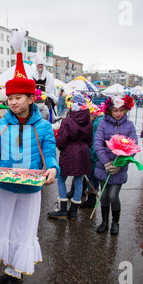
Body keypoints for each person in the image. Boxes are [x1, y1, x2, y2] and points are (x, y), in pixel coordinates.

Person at [0, 34, 59, 284]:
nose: (14, 101)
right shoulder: (3, 124)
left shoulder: (43, 126)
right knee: (6, 225)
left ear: (31, 99)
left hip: (30, 190)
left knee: (24, 228)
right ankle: (10, 268)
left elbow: (50, 153)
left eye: (19, 97)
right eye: (10, 98)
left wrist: (53, 168)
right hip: (6, 187)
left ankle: (16, 274)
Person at [93, 95, 137, 235]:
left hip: (120, 168)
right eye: (115, 110)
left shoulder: (129, 125)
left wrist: (120, 165)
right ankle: (104, 221)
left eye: (121, 110)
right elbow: (98, 144)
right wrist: (106, 162)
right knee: (104, 195)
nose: (119, 113)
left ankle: (115, 222)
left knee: (113, 196)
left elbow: (133, 146)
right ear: (110, 111)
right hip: (103, 167)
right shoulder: (102, 124)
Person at [48, 92, 92, 220]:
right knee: (78, 180)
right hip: (83, 152)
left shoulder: (67, 121)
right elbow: (90, 140)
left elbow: (61, 140)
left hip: (69, 152)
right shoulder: (88, 121)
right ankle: (73, 211)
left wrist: (61, 147)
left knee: (61, 178)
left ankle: (62, 209)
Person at [80, 102, 104, 209]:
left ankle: (91, 199)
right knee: (94, 177)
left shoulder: (95, 126)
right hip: (96, 156)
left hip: (93, 156)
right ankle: (92, 197)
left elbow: (94, 142)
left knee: (91, 176)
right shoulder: (99, 122)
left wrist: (90, 156)